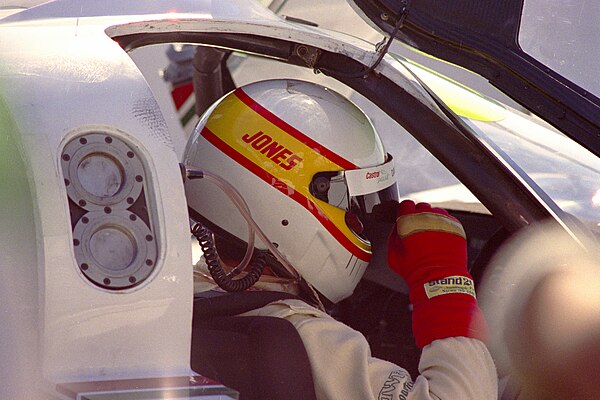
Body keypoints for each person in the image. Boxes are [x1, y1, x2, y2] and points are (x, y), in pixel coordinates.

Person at [183, 78, 497, 399]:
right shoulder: (305, 337)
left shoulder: (180, 290)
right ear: (284, 204)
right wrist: (445, 284)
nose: (370, 224)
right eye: (360, 207)